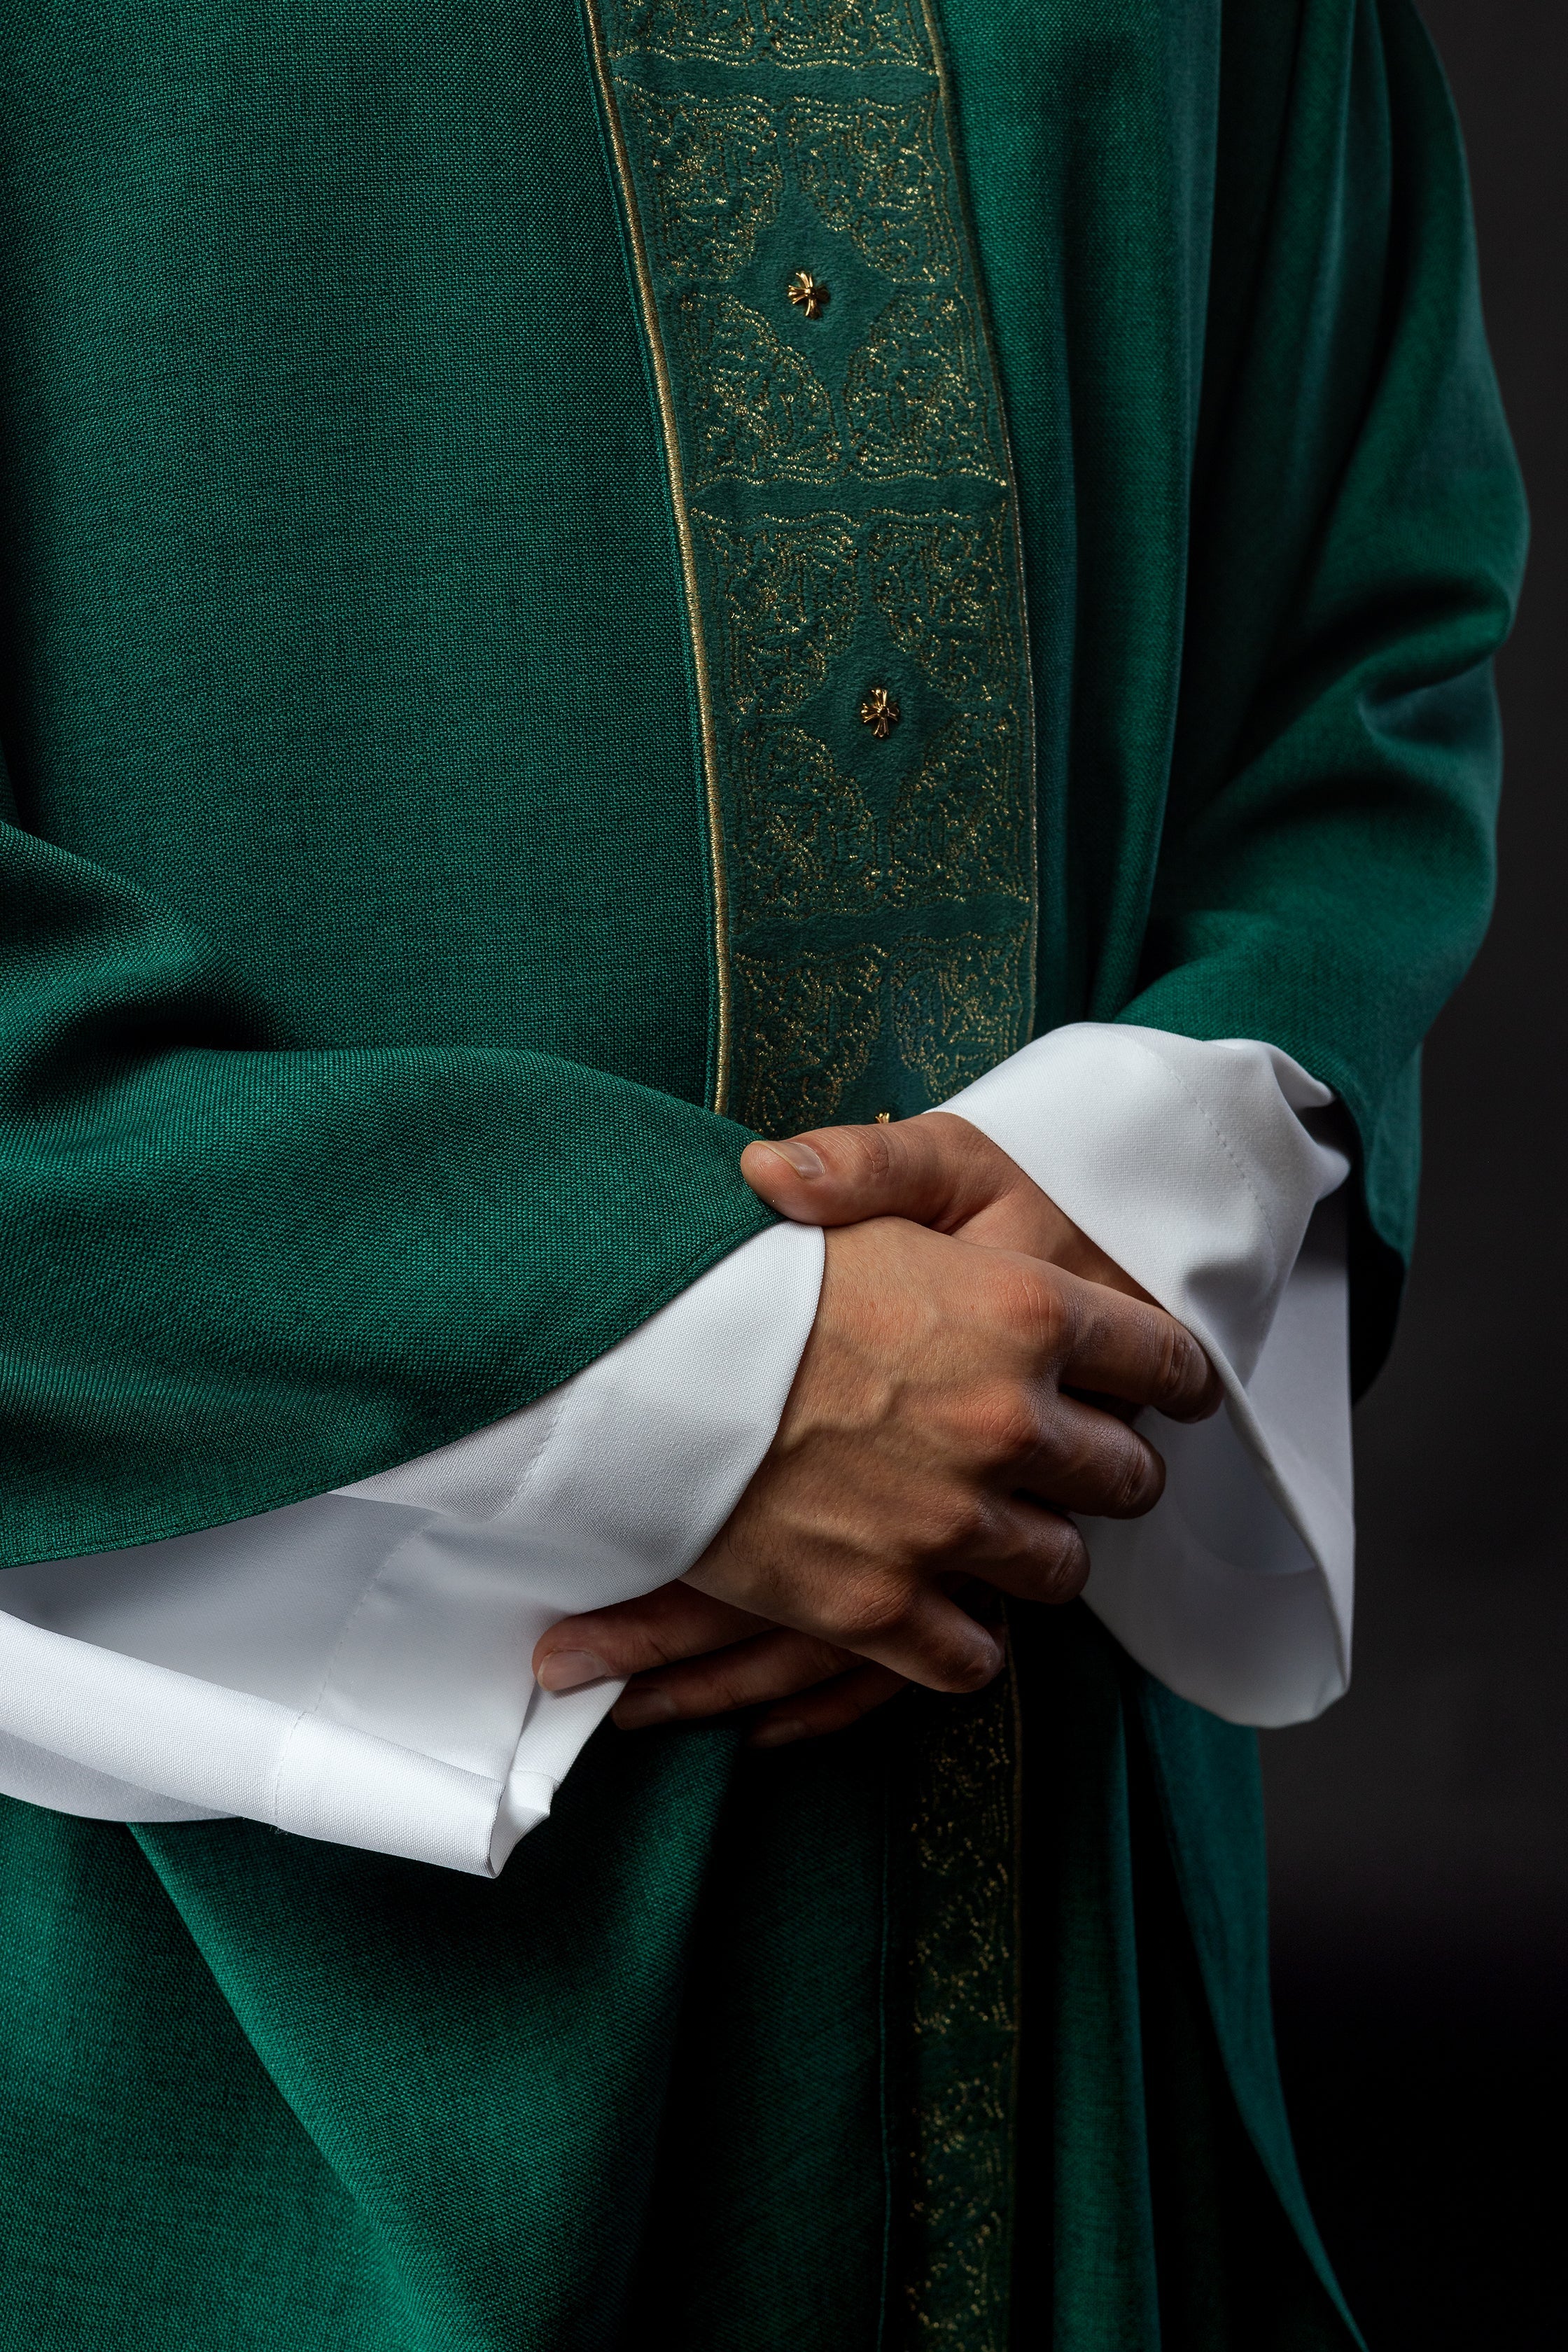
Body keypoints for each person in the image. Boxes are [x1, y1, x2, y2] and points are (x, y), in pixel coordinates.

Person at [0, 0, 1525, 2344]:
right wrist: (694, 1366)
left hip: (1047, 1890)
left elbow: (1367, 625)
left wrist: (1129, 1187)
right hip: (216, 1983)